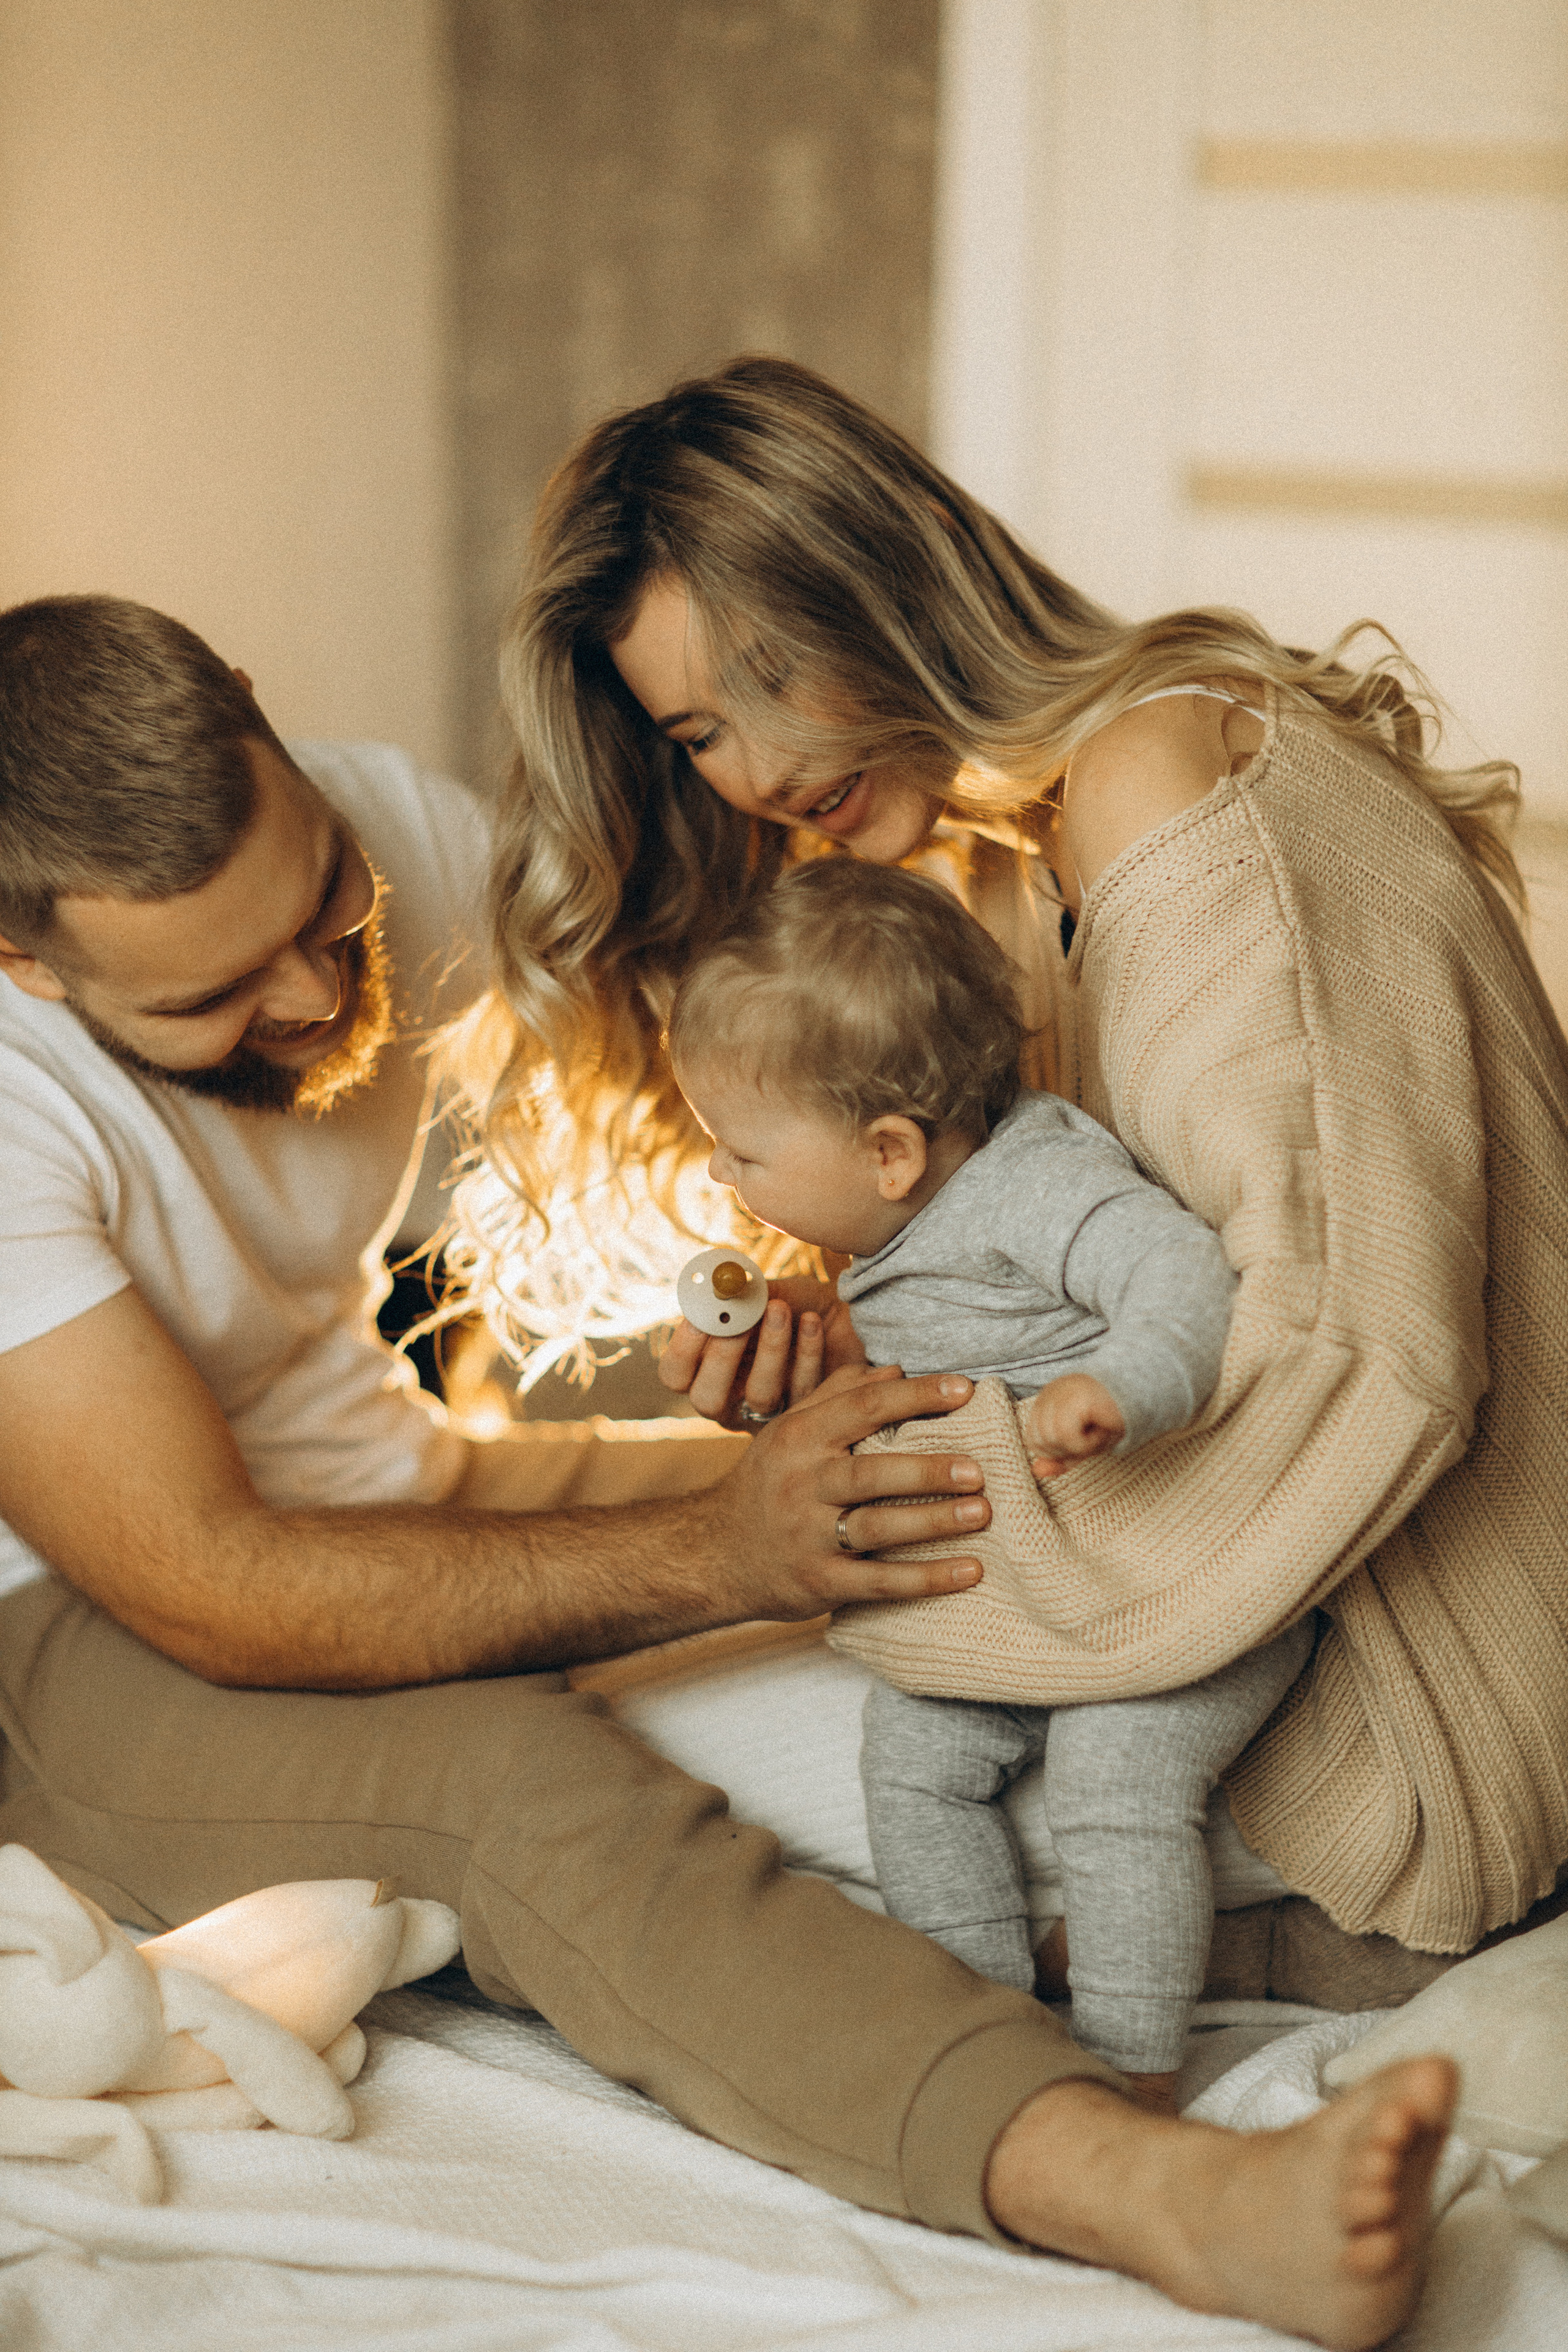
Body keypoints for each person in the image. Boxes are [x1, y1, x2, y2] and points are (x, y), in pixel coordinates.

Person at [0, 592, 1453, 2350]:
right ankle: (1154, 2191)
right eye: (220, 992)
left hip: (399, 1487)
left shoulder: (394, 836)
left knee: (932, 1526)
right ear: (28, 964)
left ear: (265, 720)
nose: (317, 989)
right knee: (512, 1780)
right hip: (80, 1623)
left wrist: (793, 1320)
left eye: (321, 904)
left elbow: (784, 1040)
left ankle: (1346, 1863)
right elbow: (214, 1583)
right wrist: (723, 1555)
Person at [667, 856, 1314, 2106]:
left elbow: (1174, 1271)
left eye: (738, 1150)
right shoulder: (896, 1235)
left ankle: (1127, 2072)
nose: (717, 1176)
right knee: (909, 1753)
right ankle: (977, 2016)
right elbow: (955, 1355)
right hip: (1036, 1593)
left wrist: (1119, 1387)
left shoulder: (1034, 1181)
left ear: (890, 1151)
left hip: (1178, 1578)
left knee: (1115, 1775)